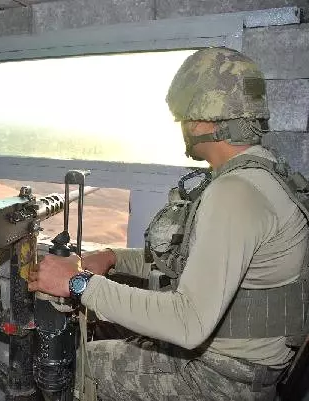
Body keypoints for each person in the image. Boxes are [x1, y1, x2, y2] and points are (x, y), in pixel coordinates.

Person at [29, 47, 309, 400]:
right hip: (246, 364)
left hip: (222, 379)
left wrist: (78, 283)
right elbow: (193, 262)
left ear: (199, 121)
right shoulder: (265, 175)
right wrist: (113, 256)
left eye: (184, 119)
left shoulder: (234, 194)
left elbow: (188, 322)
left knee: (81, 360)